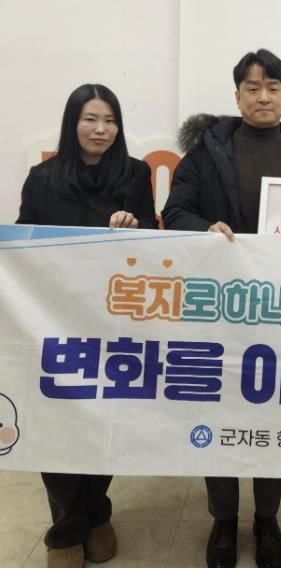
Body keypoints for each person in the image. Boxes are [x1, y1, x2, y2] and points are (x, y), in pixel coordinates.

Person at [162, 48, 281, 568]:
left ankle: (267, 518)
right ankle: (224, 519)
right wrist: (204, 228)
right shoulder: (206, 149)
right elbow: (175, 211)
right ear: (237, 96)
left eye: (273, 87)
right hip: (220, 308)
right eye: (252, 88)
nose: (263, 96)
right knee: (218, 410)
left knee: (276, 412)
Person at [16, 83, 157, 568]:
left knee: (105, 424)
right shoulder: (42, 178)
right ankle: (66, 531)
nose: (101, 129)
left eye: (110, 120)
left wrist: (135, 228)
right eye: (90, 119)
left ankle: (97, 512)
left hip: (115, 322)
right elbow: (23, 242)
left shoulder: (135, 173)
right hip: (54, 321)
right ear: (72, 123)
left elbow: (155, 239)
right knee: (55, 425)